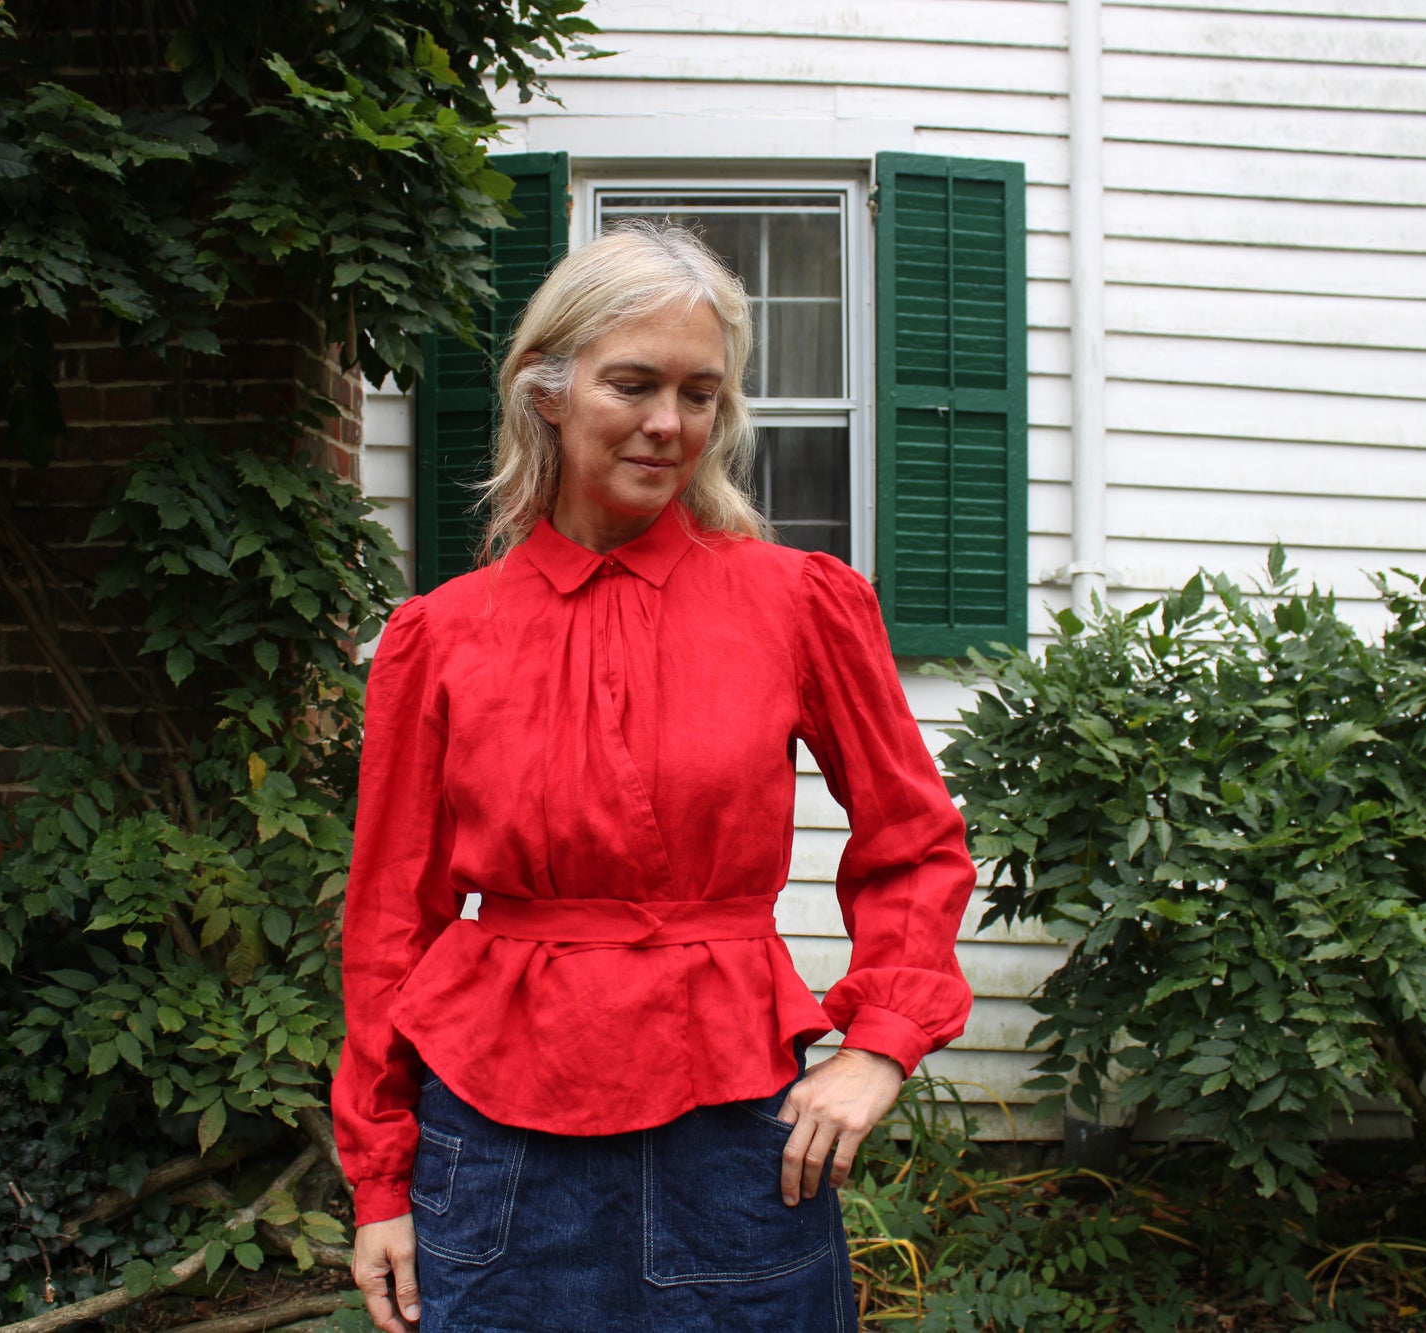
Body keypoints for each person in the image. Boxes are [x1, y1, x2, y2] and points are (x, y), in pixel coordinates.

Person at [333, 221, 976, 1333]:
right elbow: (392, 916)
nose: (666, 424)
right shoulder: (441, 636)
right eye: (632, 383)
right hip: (491, 1145)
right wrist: (381, 1178)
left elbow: (912, 839)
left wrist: (881, 1041)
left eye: (698, 394)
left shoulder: (798, 604)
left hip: (733, 1135)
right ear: (547, 388)